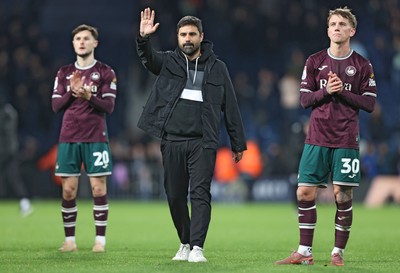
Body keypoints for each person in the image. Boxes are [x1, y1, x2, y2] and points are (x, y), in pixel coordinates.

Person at [136, 8, 247, 262]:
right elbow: (147, 58)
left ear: (201, 36)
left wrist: (237, 142)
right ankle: (184, 242)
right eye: (183, 34)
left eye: (192, 34)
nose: (188, 38)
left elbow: (230, 105)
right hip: (172, 139)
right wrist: (143, 38)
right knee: (174, 195)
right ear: (177, 37)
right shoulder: (168, 62)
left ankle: (197, 247)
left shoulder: (218, 68)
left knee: (200, 194)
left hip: (203, 141)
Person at [275, 7, 377, 266]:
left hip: (346, 139)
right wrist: (327, 92)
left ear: (351, 31)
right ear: (327, 30)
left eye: (342, 24)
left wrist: (341, 91)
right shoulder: (314, 61)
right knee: (304, 194)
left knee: (342, 196)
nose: (336, 28)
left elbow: (369, 104)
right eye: (332, 24)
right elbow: (304, 100)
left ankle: (337, 253)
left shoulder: (362, 65)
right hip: (316, 138)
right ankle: (304, 252)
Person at [51, 24, 117, 253]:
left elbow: (109, 107)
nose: (81, 42)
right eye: (78, 38)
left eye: (86, 38)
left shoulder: (106, 72)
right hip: (69, 136)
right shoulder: (63, 73)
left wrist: (89, 96)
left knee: (98, 189)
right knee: (68, 190)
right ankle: (70, 241)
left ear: (95, 43)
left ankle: (100, 241)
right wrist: (72, 91)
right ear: (73, 43)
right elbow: (56, 106)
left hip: (95, 137)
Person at [0, 91, 33, 217]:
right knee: (13, 177)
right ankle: (25, 203)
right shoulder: (10, 110)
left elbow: (6, 132)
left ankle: (25, 203)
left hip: (5, 150)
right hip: (10, 149)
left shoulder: (5, 113)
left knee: (13, 177)